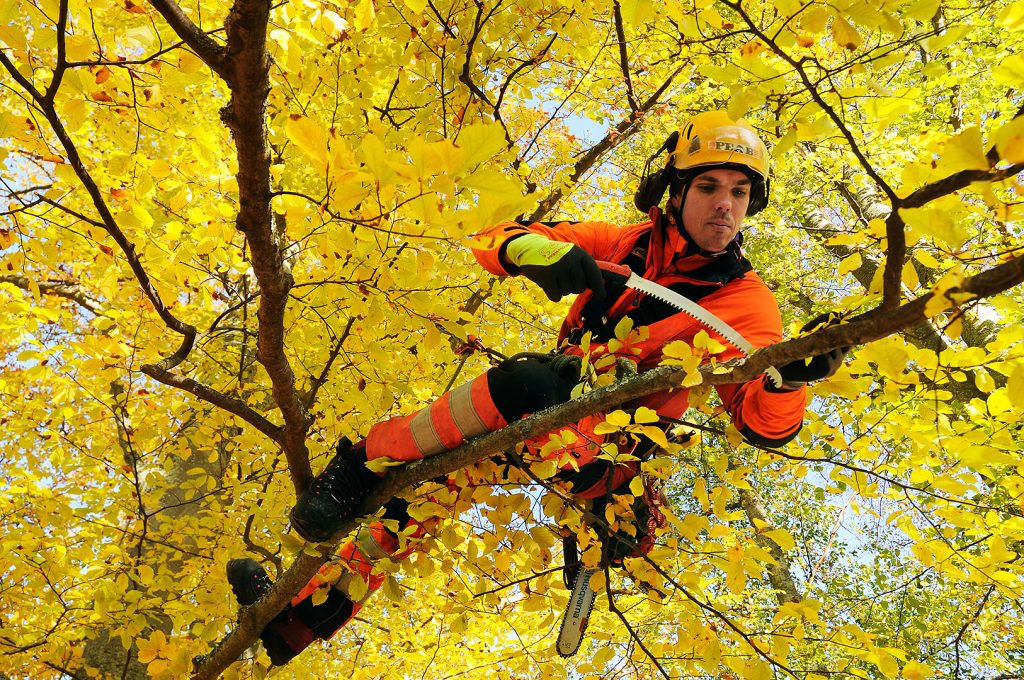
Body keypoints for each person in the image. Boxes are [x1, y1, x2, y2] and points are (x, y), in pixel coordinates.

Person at [226, 111, 848, 665]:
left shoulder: (748, 306)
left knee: (533, 384)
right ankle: (292, 620)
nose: (725, 206)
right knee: (416, 498)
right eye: (709, 187)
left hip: (610, 449)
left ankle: (372, 470)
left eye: (740, 193)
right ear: (675, 190)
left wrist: (789, 380)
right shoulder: (620, 244)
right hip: (542, 414)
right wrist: (531, 251)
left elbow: (766, 427)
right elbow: (492, 239)